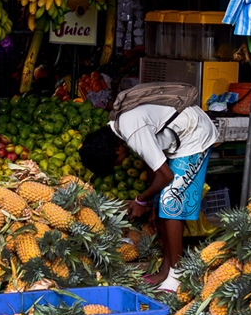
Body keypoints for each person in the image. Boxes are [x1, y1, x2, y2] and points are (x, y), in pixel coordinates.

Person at [79, 101, 218, 290]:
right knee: (163, 205)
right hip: (182, 138)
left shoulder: (132, 130)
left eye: (114, 163)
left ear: (114, 150)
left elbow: (166, 175)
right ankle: (166, 270)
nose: (118, 165)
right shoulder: (122, 130)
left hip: (195, 135)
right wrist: (153, 203)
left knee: (171, 203)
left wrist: (141, 199)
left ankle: (178, 276)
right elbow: (153, 167)